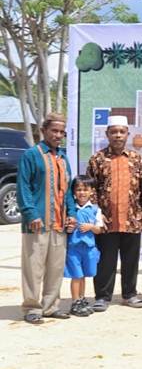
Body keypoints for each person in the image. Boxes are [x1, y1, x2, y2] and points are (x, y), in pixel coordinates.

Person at [86, 115, 142, 312]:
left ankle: (130, 294)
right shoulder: (97, 159)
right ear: (107, 134)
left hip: (132, 219)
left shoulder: (136, 159)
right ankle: (102, 296)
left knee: (131, 260)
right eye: (114, 132)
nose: (118, 135)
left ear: (127, 135)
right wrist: (97, 214)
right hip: (106, 220)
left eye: (121, 132)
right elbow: (91, 190)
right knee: (106, 260)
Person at [17, 112, 76, 324]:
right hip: (37, 224)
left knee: (55, 267)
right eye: (54, 131)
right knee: (34, 268)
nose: (58, 135)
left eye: (61, 132)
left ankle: (51, 307)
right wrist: (31, 213)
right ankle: (32, 307)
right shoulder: (31, 155)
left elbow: (68, 190)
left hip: (59, 223)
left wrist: (72, 214)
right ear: (44, 131)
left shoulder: (63, 157)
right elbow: (23, 187)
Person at [64, 175, 103, 317]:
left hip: (89, 249)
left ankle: (82, 299)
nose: (82, 192)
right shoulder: (70, 209)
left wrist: (91, 227)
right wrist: (69, 227)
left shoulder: (95, 209)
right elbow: (66, 228)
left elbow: (99, 229)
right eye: (78, 189)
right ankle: (75, 302)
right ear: (74, 192)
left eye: (85, 189)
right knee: (76, 275)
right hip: (74, 248)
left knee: (84, 276)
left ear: (92, 191)